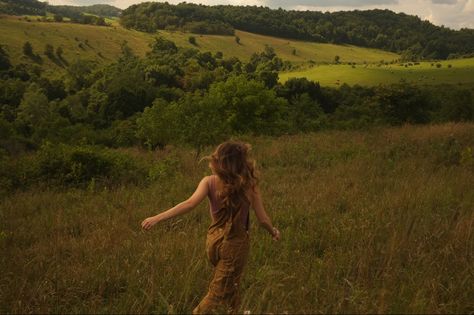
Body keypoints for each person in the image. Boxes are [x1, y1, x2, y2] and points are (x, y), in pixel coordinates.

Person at [141, 140, 280, 314]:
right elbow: (263, 219)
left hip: (213, 242)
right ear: (241, 161)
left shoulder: (208, 181)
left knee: (231, 285)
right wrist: (273, 231)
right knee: (216, 294)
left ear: (219, 161)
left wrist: (158, 217)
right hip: (235, 245)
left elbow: (190, 203)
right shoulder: (249, 185)